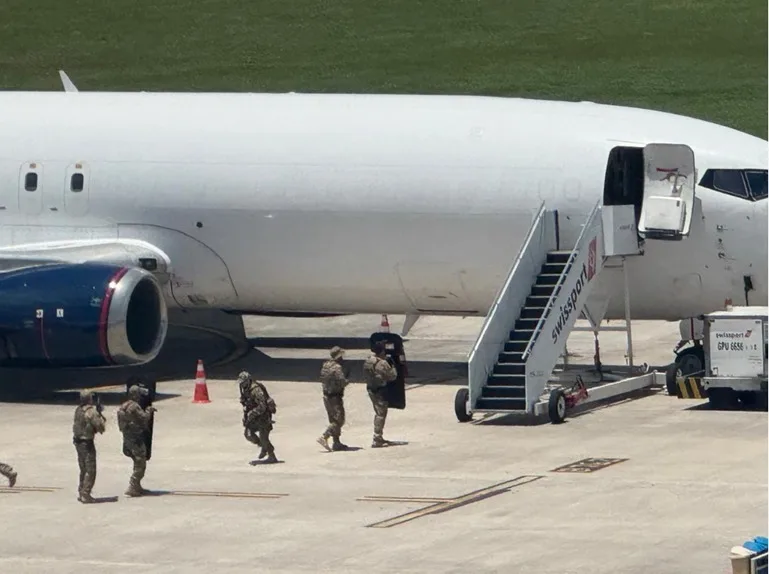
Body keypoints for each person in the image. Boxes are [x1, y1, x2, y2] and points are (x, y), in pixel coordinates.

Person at [117, 385, 156, 497]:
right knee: (141, 462)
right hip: (136, 439)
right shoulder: (134, 407)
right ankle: (133, 485)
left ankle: (137, 485)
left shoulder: (123, 406)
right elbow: (144, 418)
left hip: (127, 438)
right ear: (135, 395)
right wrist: (149, 411)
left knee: (136, 461)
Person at [362, 341, 398, 448]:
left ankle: (378, 437)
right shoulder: (383, 363)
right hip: (379, 391)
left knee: (378, 412)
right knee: (381, 414)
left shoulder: (368, 360)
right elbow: (393, 376)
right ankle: (377, 438)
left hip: (370, 388)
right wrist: (392, 365)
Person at [72, 390, 106, 503]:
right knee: (90, 470)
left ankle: (81, 491)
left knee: (83, 469)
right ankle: (86, 494)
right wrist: (100, 415)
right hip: (86, 443)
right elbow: (101, 428)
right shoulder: (91, 412)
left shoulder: (78, 410)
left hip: (77, 442)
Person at [238, 371, 277, 463]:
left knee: (264, 437)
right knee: (248, 434)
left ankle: (272, 456)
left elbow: (262, 406)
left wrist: (251, 413)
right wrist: (246, 416)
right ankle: (264, 447)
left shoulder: (256, 390)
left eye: (243, 382)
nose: (241, 385)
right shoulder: (245, 390)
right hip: (253, 417)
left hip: (263, 416)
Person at [317, 346, 350, 452]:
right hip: (335, 396)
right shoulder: (337, 368)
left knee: (333, 419)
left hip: (326, 395)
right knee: (339, 420)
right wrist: (347, 380)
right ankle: (324, 436)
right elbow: (342, 382)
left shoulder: (325, 365)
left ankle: (336, 442)